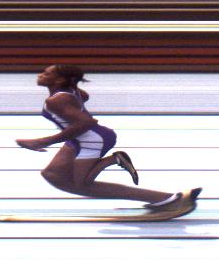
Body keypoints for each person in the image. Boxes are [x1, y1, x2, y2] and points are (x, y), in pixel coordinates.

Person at [15, 65, 200, 214]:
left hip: (91, 141)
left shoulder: (56, 100)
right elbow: (83, 98)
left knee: (82, 184)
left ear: (59, 80)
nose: (40, 75)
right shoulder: (70, 93)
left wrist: (42, 141)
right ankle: (163, 198)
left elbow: (86, 122)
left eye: (46, 73)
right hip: (82, 139)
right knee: (53, 175)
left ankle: (162, 195)